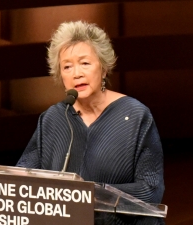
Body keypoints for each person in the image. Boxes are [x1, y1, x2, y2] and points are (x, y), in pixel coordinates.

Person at [16, 20, 165, 225]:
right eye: (67, 67)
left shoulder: (135, 116)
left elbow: (151, 189)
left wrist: (91, 194)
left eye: (85, 63)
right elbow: (20, 182)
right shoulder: (53, 119)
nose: (77, 73)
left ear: (103, 68)